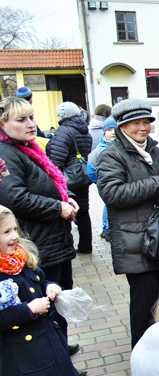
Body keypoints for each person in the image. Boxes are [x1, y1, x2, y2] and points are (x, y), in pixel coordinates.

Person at [96, 98, 159, 349]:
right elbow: (112, 194)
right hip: (135, 241)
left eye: (146, 122)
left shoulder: (153, 150)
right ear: (122, 126)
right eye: (135, 123)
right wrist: (157, 185)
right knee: (143, 303)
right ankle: (142, 355)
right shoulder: (112, 155)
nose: (143, 128)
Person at [0, 205, 79, 376]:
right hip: (18, 353)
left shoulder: (19, 259)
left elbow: (38, 280)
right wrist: (28, 310)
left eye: (14, 230)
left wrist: (49, 287)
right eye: (5, 232)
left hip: (38, 346)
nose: (14, 236)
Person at [0, 97, 81, 358]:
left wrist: (66, 198)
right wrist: (58, 207)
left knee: (58, 297)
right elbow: (15, 197)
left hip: (53, 239)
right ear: (3, 124)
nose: (30, 124)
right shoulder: (6, 155)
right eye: (21, 119)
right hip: (38, 242)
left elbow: (46, 185)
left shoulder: (27, 148)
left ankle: (59, 348)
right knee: (47, 301)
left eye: (31, 118)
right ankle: (55, 356)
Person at [46, 101, 94, 254]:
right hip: (81, 176)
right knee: (83, 210)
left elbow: (56, 159)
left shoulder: (63, 131)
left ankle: (67, 247)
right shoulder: (84, 130)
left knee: (68, 209)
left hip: (66, 178)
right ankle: (86, 246)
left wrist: (54, 178)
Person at [87, 117, 117, 241]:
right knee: (108, 205)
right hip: (106, 184)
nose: (113, 132)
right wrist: (100, 182)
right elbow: (90, 169)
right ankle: (107, 229)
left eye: (115, 129)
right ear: (104, 132)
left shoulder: (122, 148)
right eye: (109, 130)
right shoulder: (99, 151)